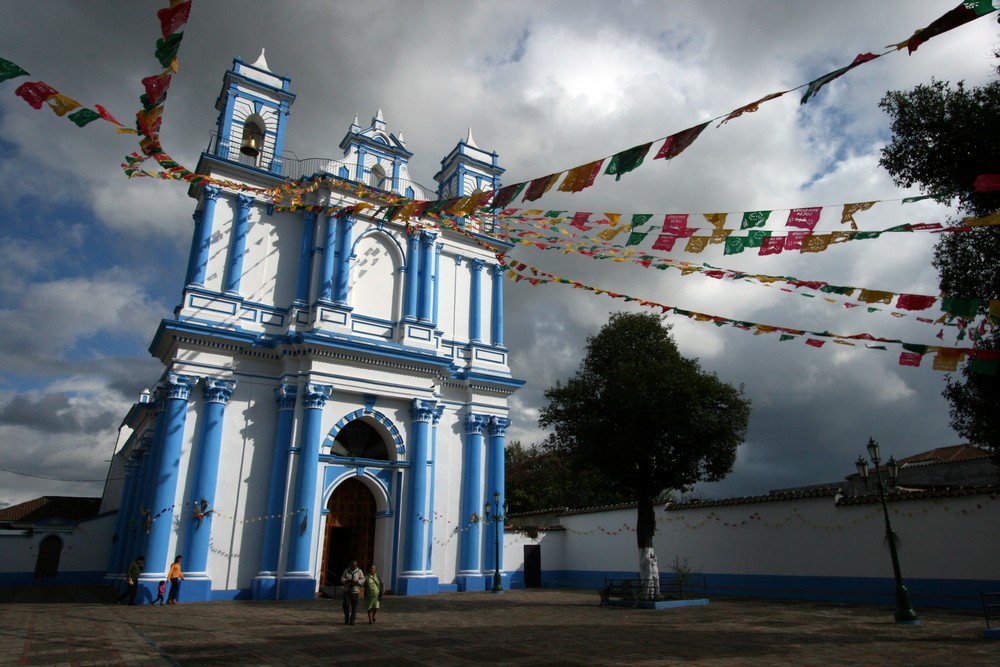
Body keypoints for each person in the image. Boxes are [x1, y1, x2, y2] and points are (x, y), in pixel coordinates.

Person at [340, 559, 364, 625]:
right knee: (346, 605)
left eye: (355, 566)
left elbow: (363, 579)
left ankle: (352, 621)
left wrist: (357, 581)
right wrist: (346, 581)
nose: (353, 567)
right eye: (352, 566)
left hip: (355, 591)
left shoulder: (359, 571)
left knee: (354, 607)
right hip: (347, 591)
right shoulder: (346, 571)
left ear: (356, 566)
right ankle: (346, 618)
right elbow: (342, 579)